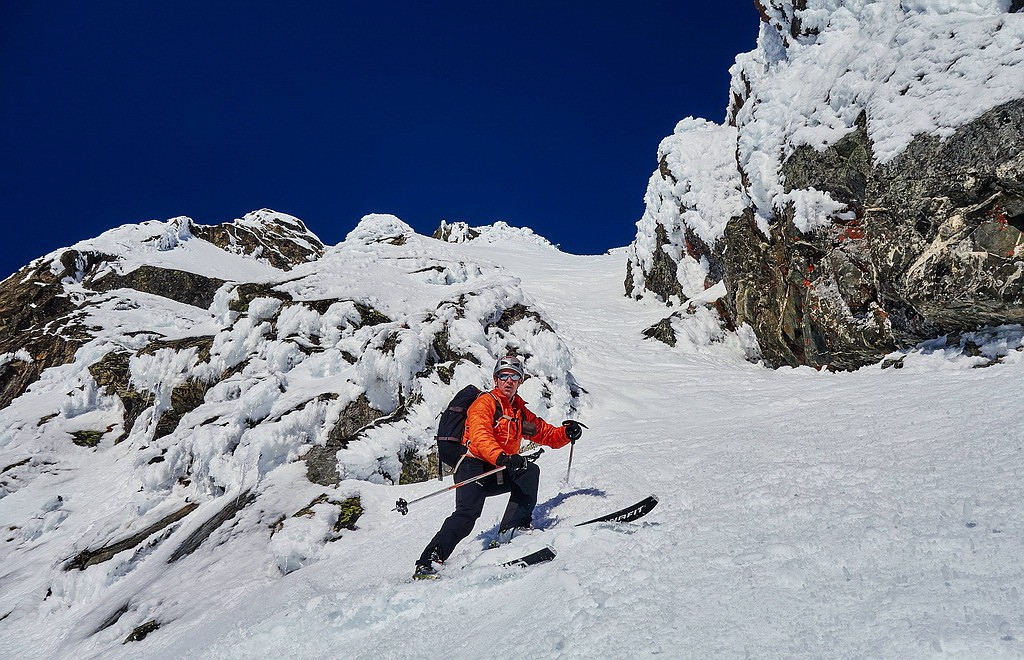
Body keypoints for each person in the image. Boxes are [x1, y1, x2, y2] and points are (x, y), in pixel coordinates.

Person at [413, 354, 583, 579]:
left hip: (499, 468)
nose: (509, 381)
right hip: (473, 466)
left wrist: (565, 433)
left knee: (529, 471)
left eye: (514, 376)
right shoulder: (485, 403)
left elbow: (544, 433)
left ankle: (511, 530)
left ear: (520, 381)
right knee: (467, 515)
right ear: (496, 379)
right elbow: (480, 435)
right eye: (504, 375)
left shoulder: (518, 411)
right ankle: (428, 562)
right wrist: (502, 457)